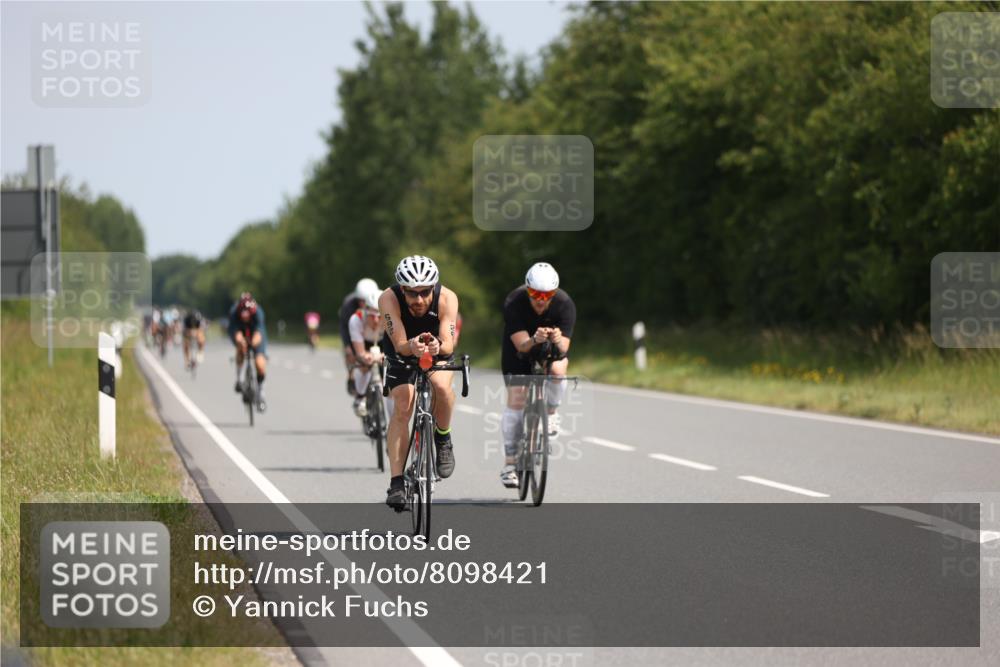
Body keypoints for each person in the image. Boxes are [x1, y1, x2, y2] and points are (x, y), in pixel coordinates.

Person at [380, 255, 460, 509]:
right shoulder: (387, 299)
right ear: (401, 289)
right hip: (402, 348)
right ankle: (396, 483)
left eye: (425, 292)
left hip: (437, 350)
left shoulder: (448, 298)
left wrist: (437, 345)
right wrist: (411, 346)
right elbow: (400, 344)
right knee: (403, 405)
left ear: (433, 287)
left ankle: (443, 438)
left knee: (442, 388)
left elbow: (449, 341)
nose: (419, 300)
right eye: (412, 293)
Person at [499, 262, 576, 488]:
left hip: (550, 350)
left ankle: (551, 412)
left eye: (547, 295)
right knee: (516, 400)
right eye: (535, 294)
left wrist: (556, 339)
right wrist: (535, 339)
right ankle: (510, 464)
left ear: (554, 293)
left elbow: (563, 350)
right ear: (527, 289)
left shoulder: (565, 304)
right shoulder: (514, 301)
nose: (540, 300)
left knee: (558, 369)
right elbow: (522, 346)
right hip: (519, 351)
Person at [228, 292, 269, 411]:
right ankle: (239, 379)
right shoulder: (234, 312)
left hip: (255, 334)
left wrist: (252, 343)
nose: (245, 317)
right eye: (243, 315)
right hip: (240, 331)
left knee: (260, 364)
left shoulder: (258, 312)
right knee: (241, 348)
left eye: (248, 315)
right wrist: (242, 342)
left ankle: (261, 393)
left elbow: (259, 333)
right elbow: (236, 333)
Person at [348, 290, 384, 417]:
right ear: (365, 311)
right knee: (364, 365)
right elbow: (360, 352)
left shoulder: (392, 318)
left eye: (379, 317)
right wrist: (364, 356)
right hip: (364, 343)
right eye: (371, 316)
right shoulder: (356, 319)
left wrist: (385, 357)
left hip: (383, 342)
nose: (375, 320)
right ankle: (360, 396)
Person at [340, 278, 380, 393]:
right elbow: (345, 327)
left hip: (373, 334)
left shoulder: (380, 303)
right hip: (353, 332)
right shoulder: (349, 305)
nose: (363, 304)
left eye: (366, 301)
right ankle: (351, 376)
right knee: (351, 353)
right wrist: (348, 346)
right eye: (361, 301)